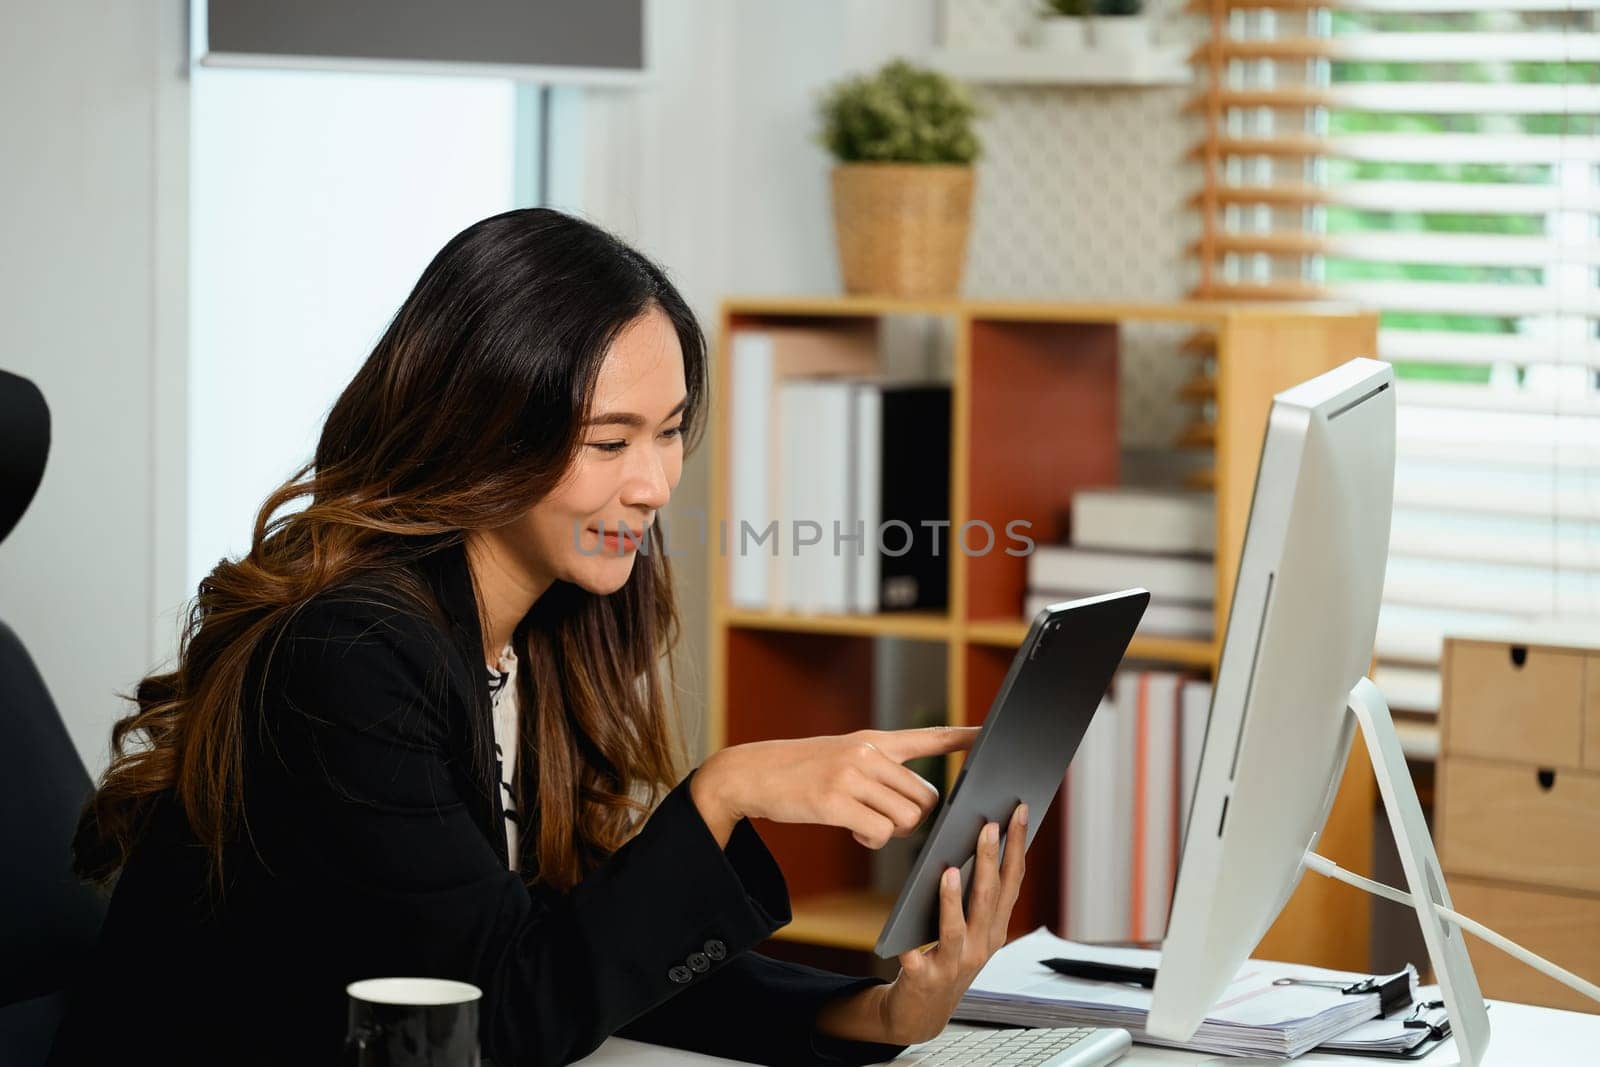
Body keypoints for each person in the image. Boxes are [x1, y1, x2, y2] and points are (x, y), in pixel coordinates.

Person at [51, 209, 1028, 1066]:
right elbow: (502, 1019)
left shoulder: (542, 627)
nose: (652, 482)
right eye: (609, 441)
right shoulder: (350, 656)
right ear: (481, 430)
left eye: (670, 430)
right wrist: (723, 793)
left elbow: (578, 951)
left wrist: (878, 1010)